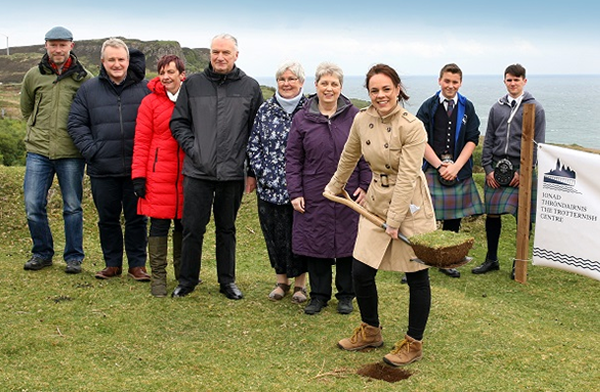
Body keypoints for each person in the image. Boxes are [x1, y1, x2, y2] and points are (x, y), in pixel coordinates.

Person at [325, 64, 436, 367]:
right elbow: (349, 156)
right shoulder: (362, 120)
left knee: (416, 276)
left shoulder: (413, 126)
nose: (381, 95)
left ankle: (413, 344)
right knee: (361, 271)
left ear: (398, 89)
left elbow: (408, 176)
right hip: (375, 201)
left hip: (410, 206)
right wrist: (334, 187)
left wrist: (396, 220)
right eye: (374, 90)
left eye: (386, 89)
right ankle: (371, 331)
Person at [170, 33, 263, 300]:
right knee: (192, 227)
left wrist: (251, 171)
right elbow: (179, 122)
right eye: (215, 52)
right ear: (210, 54)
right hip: (198, 171)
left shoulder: (250, 87)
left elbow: (255, 133)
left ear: (236, 55)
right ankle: (187, 280)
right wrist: (195, 149)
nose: (220, 57)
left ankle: (227, 282)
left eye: (225, 52)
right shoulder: (193, 85)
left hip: (233, 172)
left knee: (226, 229)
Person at [286, 62, 371, 315]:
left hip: (349, 192)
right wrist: (295, 191)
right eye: (324, 83)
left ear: (340, 87)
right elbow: (292, 158)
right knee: (316, 245)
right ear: (316, 86)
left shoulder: (355, 116)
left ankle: (346, 295)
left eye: (334, 84)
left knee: (348, 245)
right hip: (313, 191)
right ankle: (319, 296)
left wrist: (365, 185)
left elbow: (366, 154)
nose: (329, 88)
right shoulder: (302, 118)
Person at [68, 38, 151, 281]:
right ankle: (112, 264)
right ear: (103, 62)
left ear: (128, 61)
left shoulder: (145, 88)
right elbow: (76, 123)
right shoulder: (88, 89)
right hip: (102, 169)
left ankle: (137, 266)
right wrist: (93, 150)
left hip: (136, 169)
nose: (117, 64)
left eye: (121, 59)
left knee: (137, 219)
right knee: (108, 219)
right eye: (111, 59)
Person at [20, 26, 92, 274]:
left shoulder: (84, 78)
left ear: (72, 46)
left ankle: (74, 257)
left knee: (72, 206)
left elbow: (90, 115)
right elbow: (26, 108)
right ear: (46, 46)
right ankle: (42, 253)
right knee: (32, 204)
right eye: (53, 44)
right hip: (38, 150)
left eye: (62, 44)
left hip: (71, 153)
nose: (58, 49)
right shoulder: (33, 75)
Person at [472, 63, 545, 278]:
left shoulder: (536, 108)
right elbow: (489, 139)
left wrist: (524, 172)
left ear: (524, 81)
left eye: (517, 79)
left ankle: (519, 263)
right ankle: (491, 259)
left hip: (521, 170)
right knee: (492, 213)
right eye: (509, 80)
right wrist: (487, 169)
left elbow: (537, 143)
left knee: (523, 216)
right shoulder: (497, 108)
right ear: (505, 81)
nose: (513, 83)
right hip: (496, 167)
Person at [247, 61, 308, 303]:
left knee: (299, 235)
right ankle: (281, 281)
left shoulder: (310, 109)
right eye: (282, 79)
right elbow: (254, 146)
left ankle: (301, 286)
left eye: (292, 79)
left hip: (302, 189)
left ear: (301, 82)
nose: (286, 83)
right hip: (269, 188)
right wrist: (263, 174)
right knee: (274, 235)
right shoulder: (265, 110)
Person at [416, 63, 484, 279]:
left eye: (455, 82)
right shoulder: (428, 106)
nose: (450, 86)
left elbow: (472, 139)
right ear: (439, 81)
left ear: (460, 83)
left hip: (459, 171)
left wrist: (456, 167)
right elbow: (420, 139)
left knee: (454, 219)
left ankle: (448, 260)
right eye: (447, 81)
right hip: (432, 168)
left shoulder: (468, 107)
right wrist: (439, 165)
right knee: (424, 216)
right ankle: (421, 261)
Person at [131, 55, 186, 297]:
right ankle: (159, 279)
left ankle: (184, 276)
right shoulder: (149, 103)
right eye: (162, 72)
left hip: (186, 174)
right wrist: (139, 176)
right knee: (159, 226)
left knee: (184, 226)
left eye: (170, 72)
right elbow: (141, 141)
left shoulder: (190, 100)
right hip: (158, 174)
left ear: (181, 74)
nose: (165, 77)